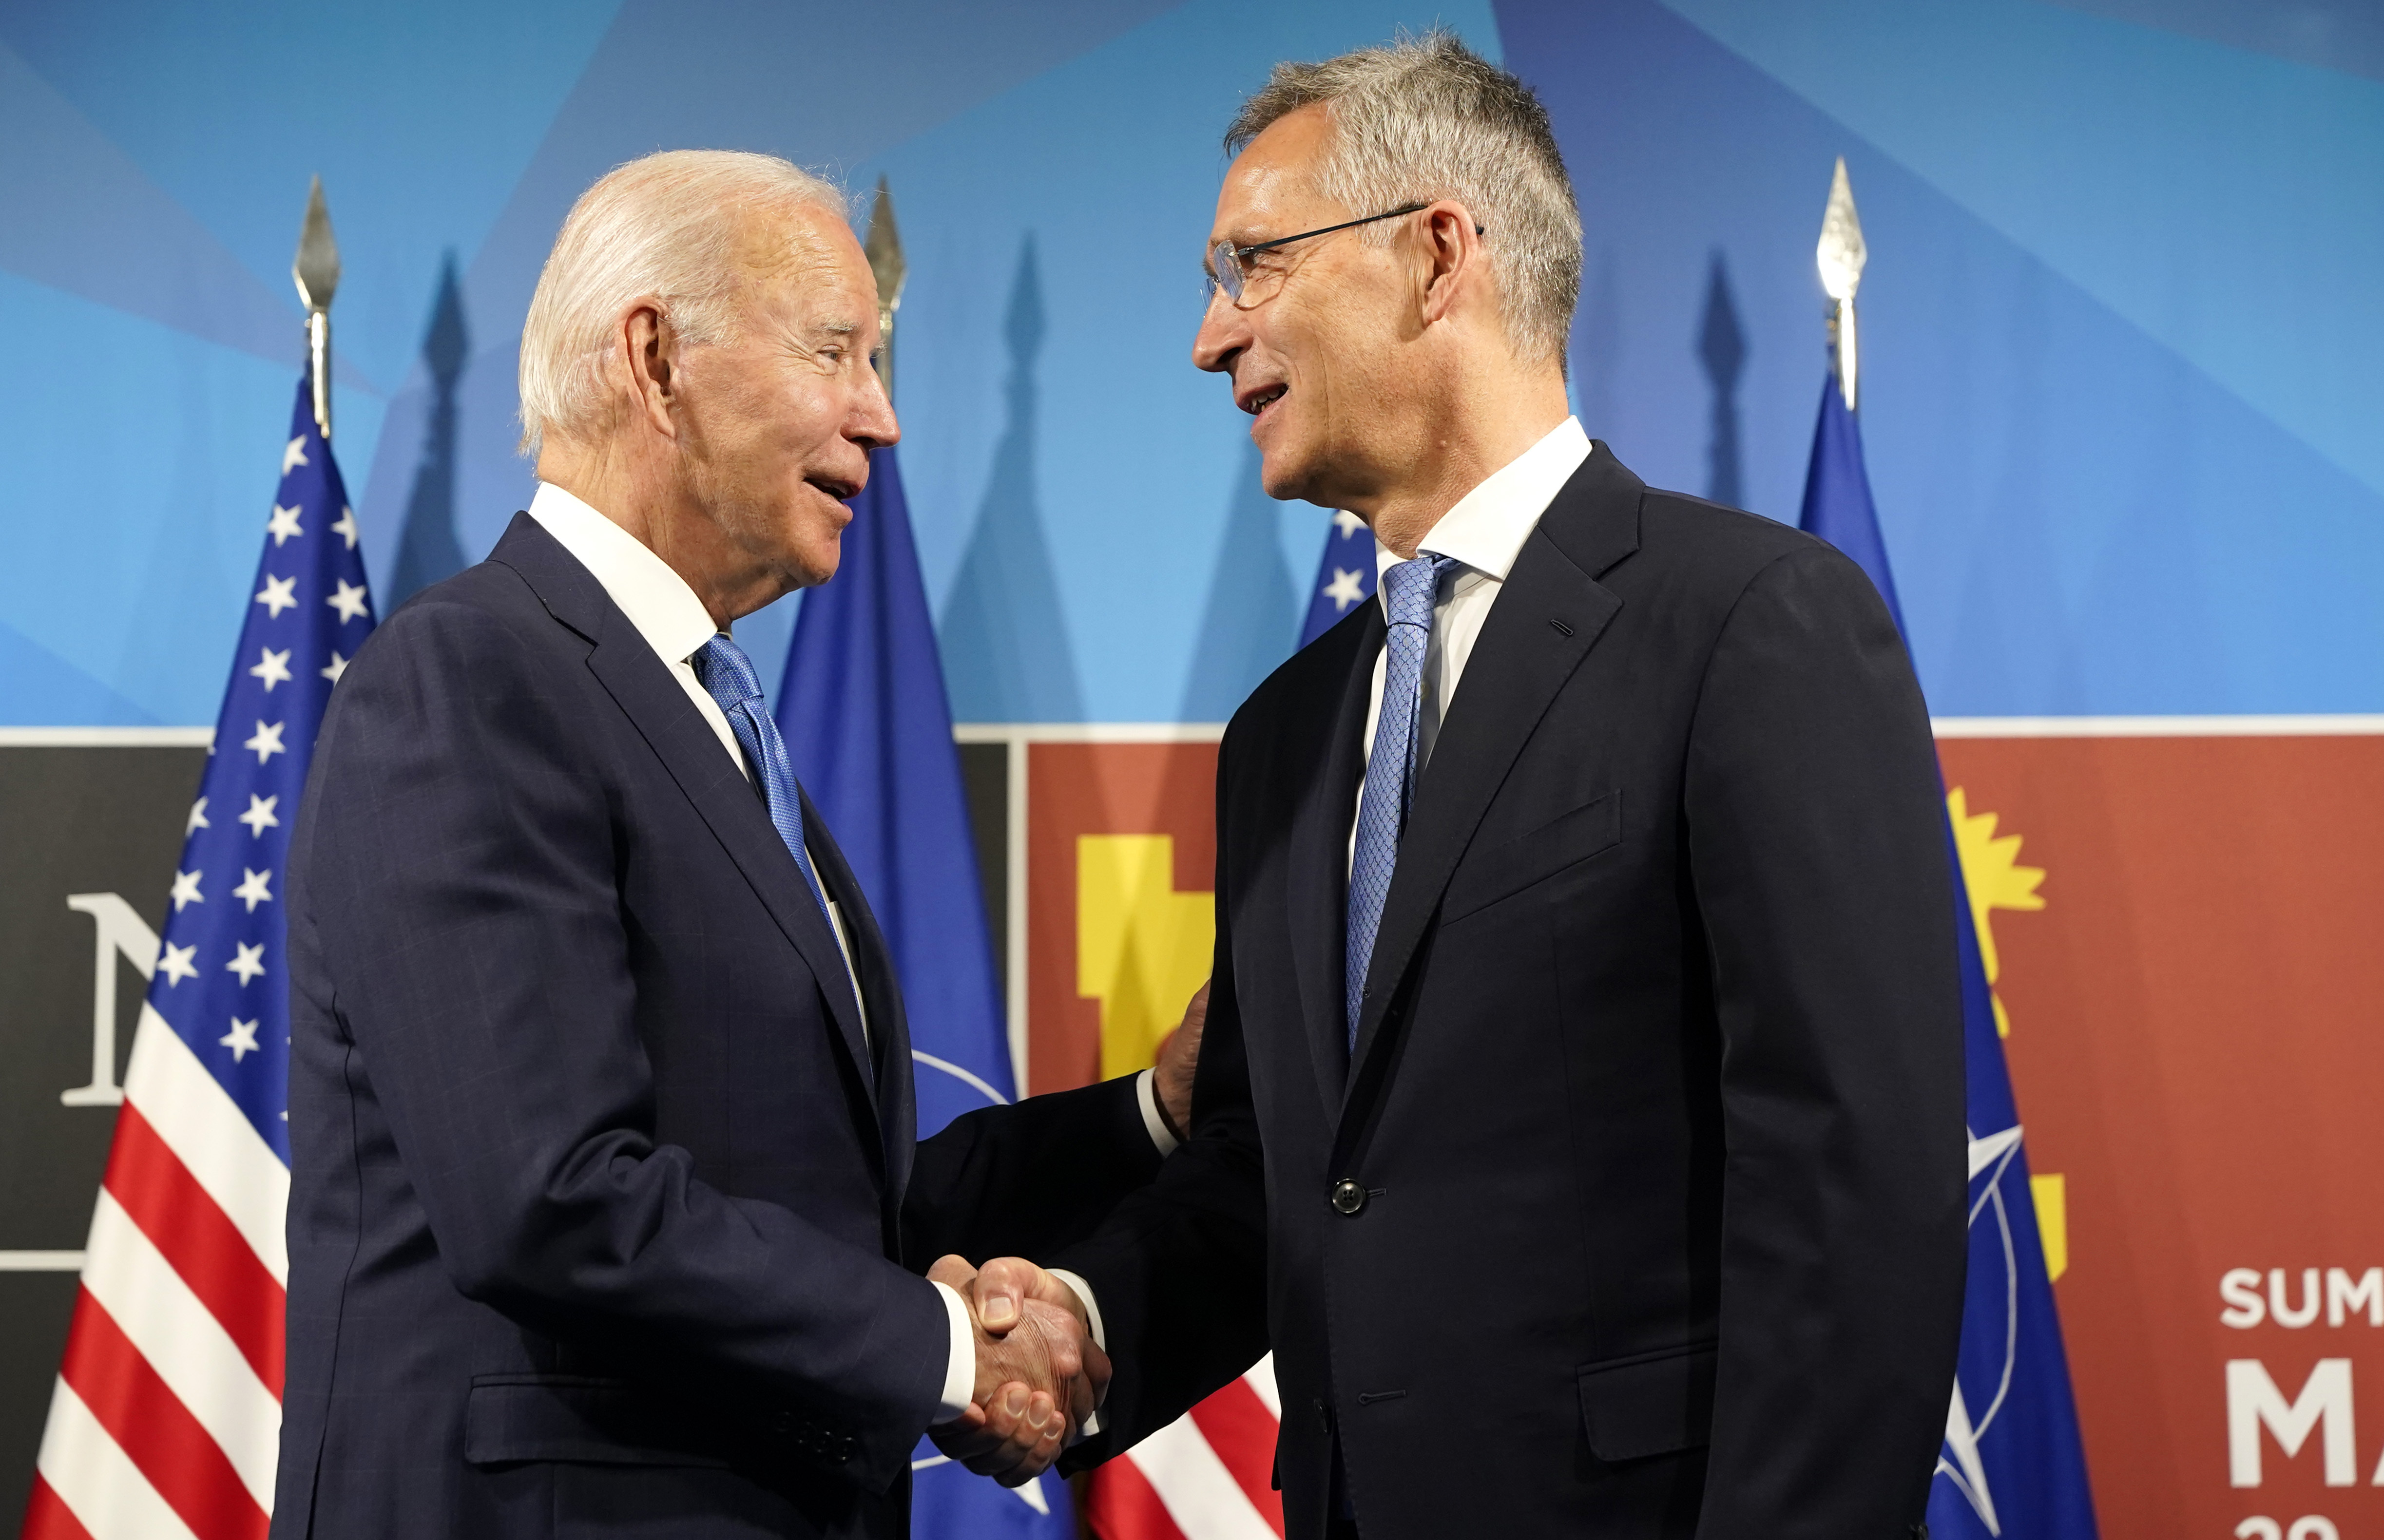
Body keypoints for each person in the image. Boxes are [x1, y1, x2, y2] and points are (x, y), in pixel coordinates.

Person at [951, 34, 1967, 1539]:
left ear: (1437, 256)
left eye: (1250, 266)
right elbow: (1285, 1177)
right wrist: (1090, 1329)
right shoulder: (1283, 735)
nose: (1209, 337)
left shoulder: (1748, 623)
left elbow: (1848, 1202)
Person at [274, 150, 1193, 1540]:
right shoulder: (473, 678)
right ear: (654, 361)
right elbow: (549, 1194)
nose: (881, 418)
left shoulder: (705, 713)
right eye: (837, 351)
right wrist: (951, 1349)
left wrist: (1146, 1117)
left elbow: (811, 1202)